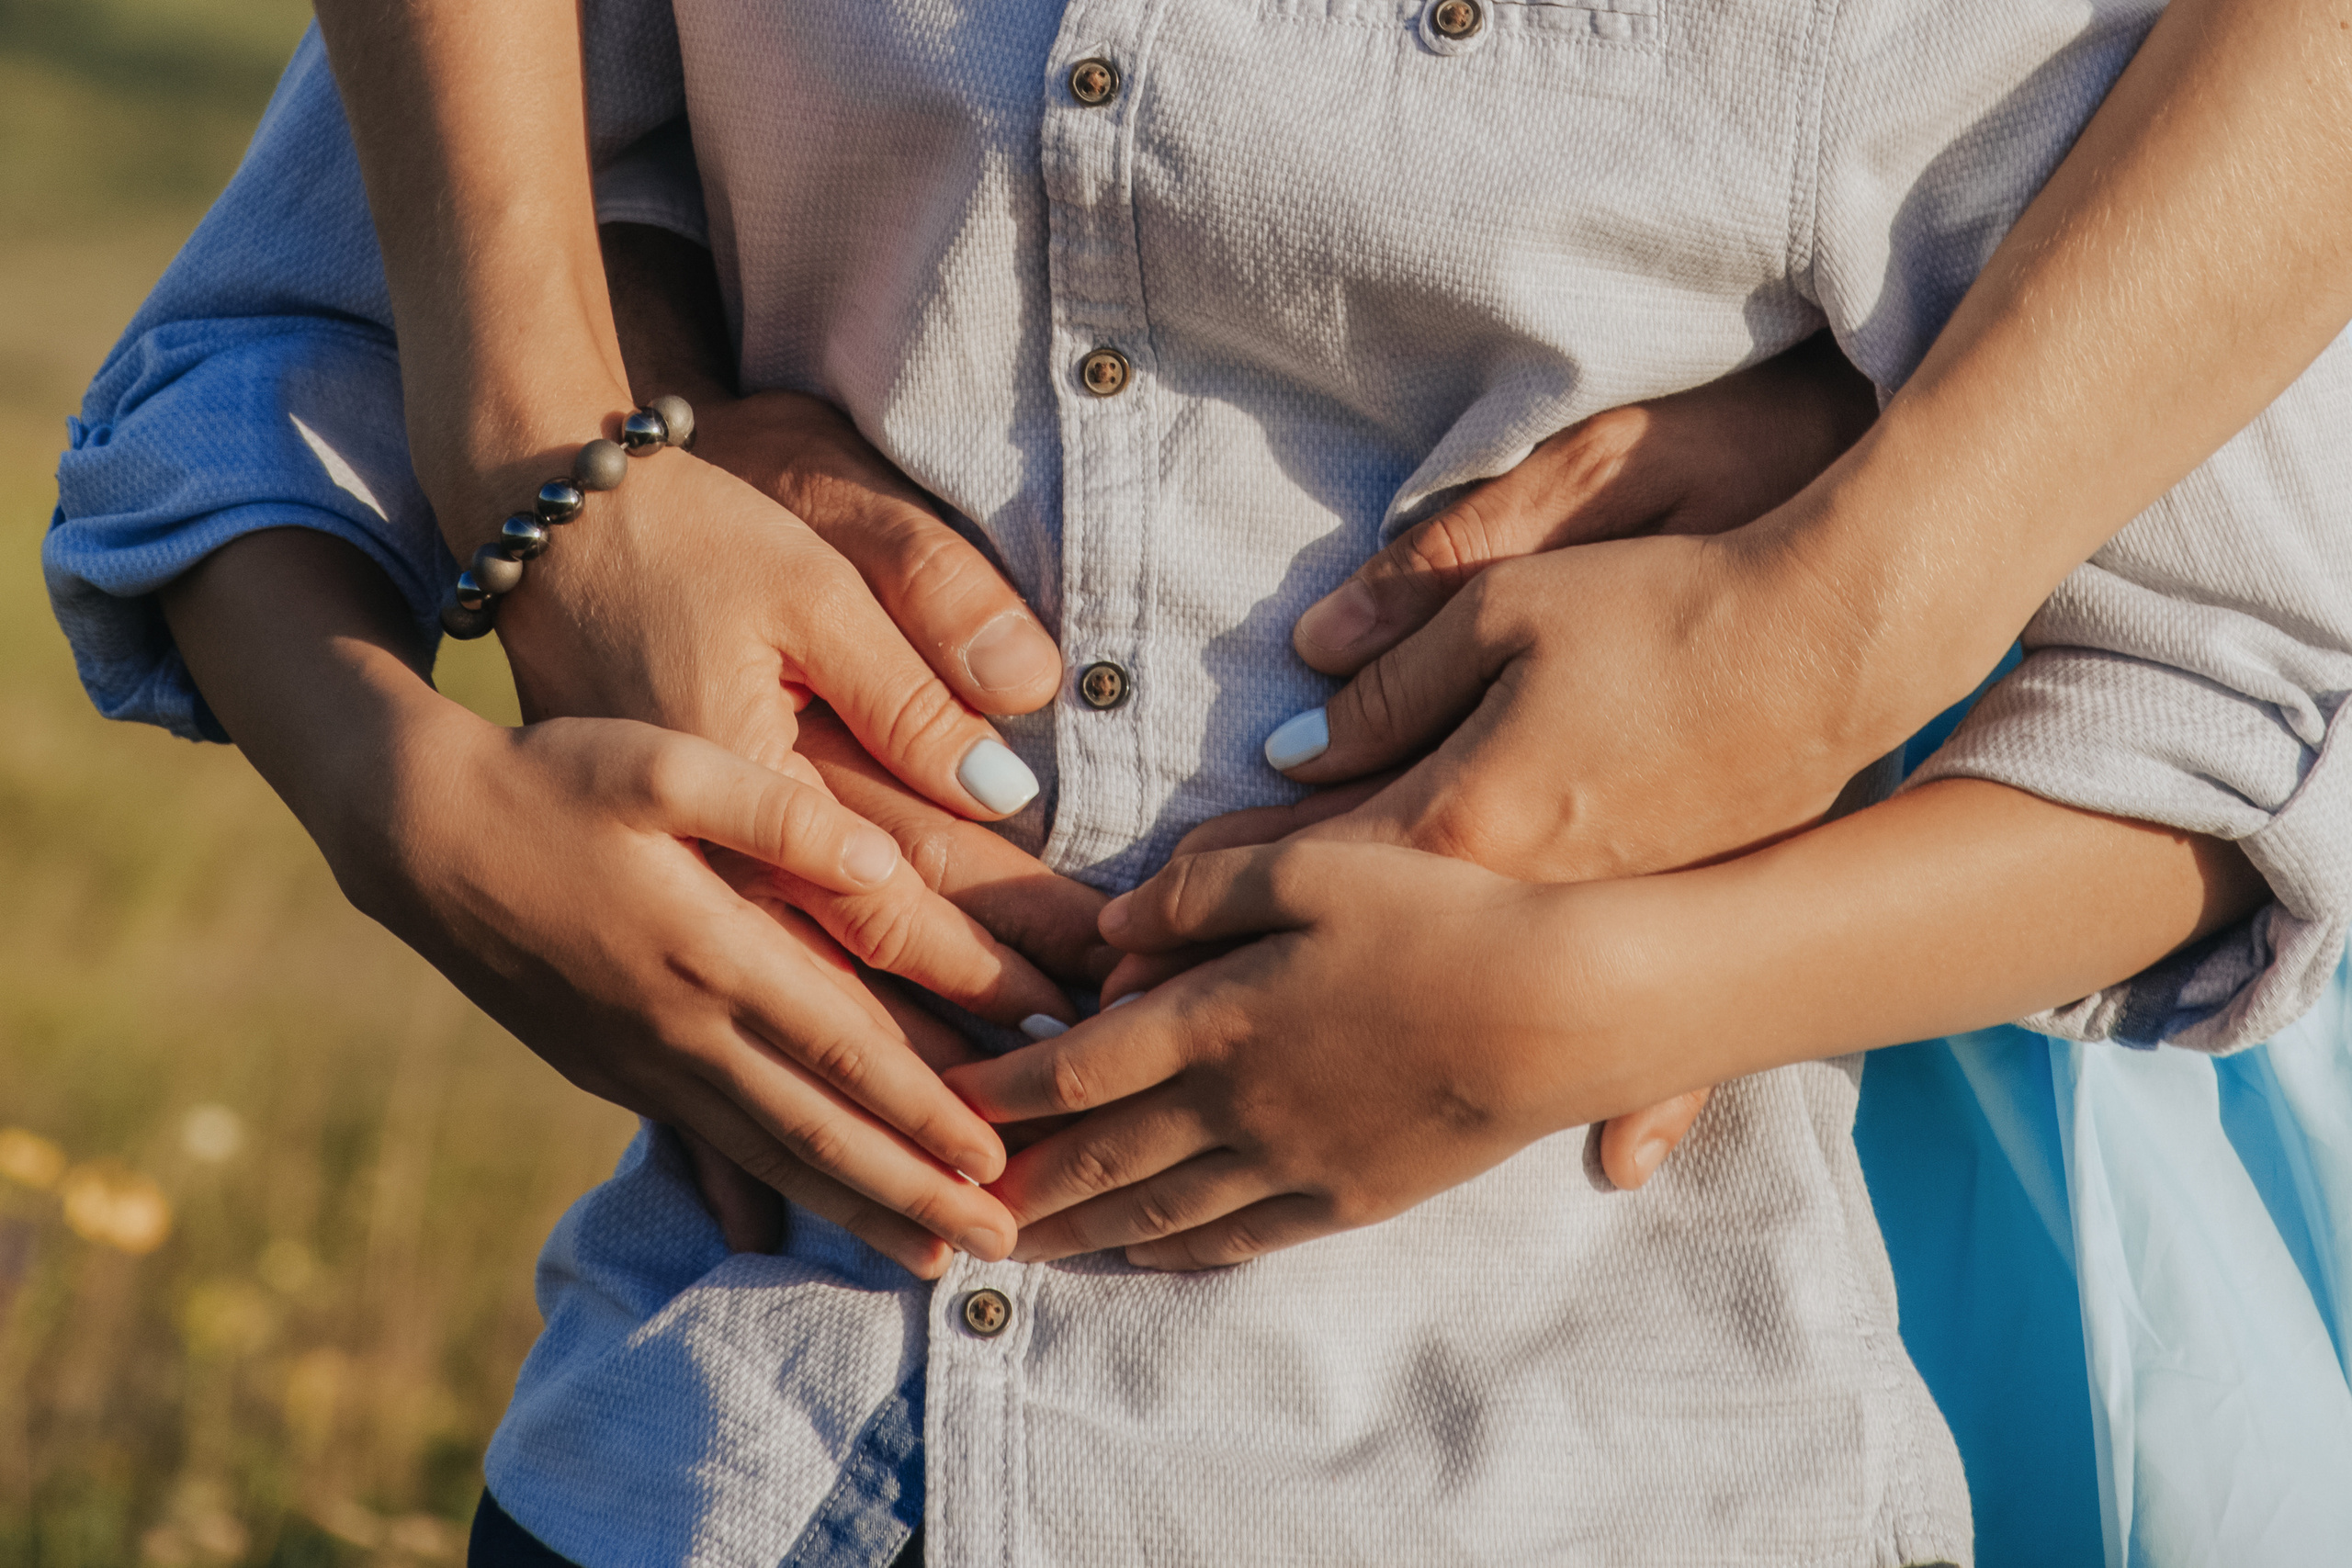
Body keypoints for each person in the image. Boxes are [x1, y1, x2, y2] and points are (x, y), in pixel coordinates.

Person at [43, 1, 2352, 1565]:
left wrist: (1621, 994)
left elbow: (2230, 686)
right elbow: (260, 364)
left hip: (1607, 1473)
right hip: (724, 1449)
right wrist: (422, 814)